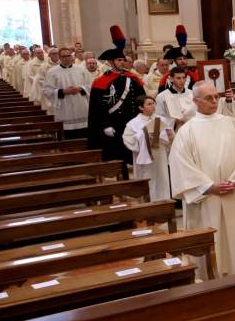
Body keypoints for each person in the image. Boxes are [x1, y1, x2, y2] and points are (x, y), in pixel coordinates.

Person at [169, 81, 235, 279]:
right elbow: (181, 165)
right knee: (208, 245)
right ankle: (209, 280)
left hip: (231, 194)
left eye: (216, 96)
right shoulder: (187, 131)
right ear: (195, 101)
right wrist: (209, 186)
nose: (215, 101)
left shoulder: (233, 124)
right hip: (205, 199)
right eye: (208, 98)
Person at [88, 36, 146, 164]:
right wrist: (105, 124)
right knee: (117, 154)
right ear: (111, 62)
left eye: (122, 60)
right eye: (118, 60)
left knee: (133, 151)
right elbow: (98, 107)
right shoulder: (101, 81)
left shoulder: (132, 78)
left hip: (132, 120)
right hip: (113, 122)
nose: (121, 63)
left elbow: (142, 100)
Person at [122, 95, 173, 201]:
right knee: (146, 180)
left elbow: (170, 139)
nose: (153, 106)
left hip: (160, 155)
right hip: (144, 159)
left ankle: (164, 205)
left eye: (153, 103)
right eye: (149, 104)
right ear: (141, 107)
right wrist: (144, 136)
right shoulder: (133, 123)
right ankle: (147, 207)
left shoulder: (162, 120)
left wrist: (170, 135)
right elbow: (128, 139)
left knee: (162, 180)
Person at [43, 48, 90, 140]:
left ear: (72, 56)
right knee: (68, 138)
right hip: (64, 108)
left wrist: (80, 88)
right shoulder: (52, 72)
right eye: (63, 56)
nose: (66, 58)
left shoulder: (81, 70)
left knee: (84, 137)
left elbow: (90, 85)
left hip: (81, 106)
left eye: (68, 56)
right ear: (59, 57)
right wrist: (63, 91)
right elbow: (47, 90)